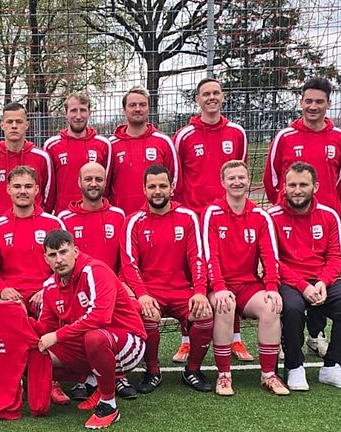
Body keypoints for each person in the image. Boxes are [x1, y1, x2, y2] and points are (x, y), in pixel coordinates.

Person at [263, 76, 341, 358]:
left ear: (328, 104)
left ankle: (316, 335)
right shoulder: (285, 137)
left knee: (322, 273)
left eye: (319, 101)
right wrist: (286, 204)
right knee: (290, 278)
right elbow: (272, 178)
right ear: (301, 103)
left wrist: (323, 206)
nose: (313, 106)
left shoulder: (339, 138)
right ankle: (288, 342)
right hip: (289, 218)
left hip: (324, 221)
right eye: (308, 101)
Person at [174, 78, 253, 363]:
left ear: (223, 97)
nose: (211, 98)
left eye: (216, 93)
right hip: (194, 218)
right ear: (197, 99)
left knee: (230, 272)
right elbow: (177, 178)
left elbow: (238, 173)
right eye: (205, 94)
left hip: (227, 217)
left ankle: (235, 339)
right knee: (191, 276)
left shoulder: (237, 133)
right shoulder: (184, 136)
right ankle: (186, 339)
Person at [268, 162, 341, 391]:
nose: (297, 190)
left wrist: (322, 282)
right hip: (289, 281)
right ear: (284, 187)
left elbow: (336, 258)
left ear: (316, 187)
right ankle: (295, 367)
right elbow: (272, 261)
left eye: (303, 184)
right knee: (291, 308)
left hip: (322, 280)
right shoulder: (271, 216)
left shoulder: (329, 215)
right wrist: (302, 286)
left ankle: (331, 367)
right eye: (292, 185)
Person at [38, 229, 147, 429]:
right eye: (53, 255)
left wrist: (58, 335)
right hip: (90, 344)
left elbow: (100, 316)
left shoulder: (95, 270)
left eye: (64, 252)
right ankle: (97, 383)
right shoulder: (49, 287)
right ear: (46, 259)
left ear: (76, 251)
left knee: (94, 338)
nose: (59, 259)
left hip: (129, 343)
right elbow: (44, 328)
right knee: (37, 355)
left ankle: (109, 405)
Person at [122, 164, 213, 395]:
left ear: (172, 188)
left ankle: (192, 370)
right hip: (150, 291)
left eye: (163, 185)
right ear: (144, 189)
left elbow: (198, 258)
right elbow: (129, 265)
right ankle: (152, 371)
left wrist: (200, 291)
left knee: (204, 314)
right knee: (147, 315)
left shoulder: (188, 217)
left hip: (181, 290)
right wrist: (142, 295)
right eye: (152, 186)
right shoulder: (134, 221)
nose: (157, 191)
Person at [202, 161, 288, 396]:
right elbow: (210, 255)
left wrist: (272, 287)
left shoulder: (261, 215)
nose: (237, 182)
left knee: (271, 306)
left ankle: (268, 374)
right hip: (219, 286)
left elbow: (270, 256)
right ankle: (224, 375)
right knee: (225, 304)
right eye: (231, 178)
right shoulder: (212, 213)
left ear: (248, 180)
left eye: (241, 177)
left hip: (248, 286)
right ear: (223, 183)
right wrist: (218, 287)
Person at [0, 165, 68, 405]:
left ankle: (52, 379)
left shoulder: (52, 223)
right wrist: (2, 289)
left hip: (46, 293)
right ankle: (14, 380)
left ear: (37, 190)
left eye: (27, 187)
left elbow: (64, 264)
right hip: (12, 295)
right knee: (5, 314)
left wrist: (47, 289)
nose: (22, 191)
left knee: (53, 312)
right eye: (17, 186)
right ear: (8, 189)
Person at [56, 161, 128, 401]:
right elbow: (58, 258)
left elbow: (125, 258)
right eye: (88, 179)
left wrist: (123, 284)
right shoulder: (64, 217)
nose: (94, 184)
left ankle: (118, 375)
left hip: (111, 289)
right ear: (79, 183)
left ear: (105, 182)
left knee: (116, 320)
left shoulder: (118, 215)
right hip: (77, 289)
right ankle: (85, 376)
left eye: (98, 179)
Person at [108, 86, 178, 215]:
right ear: (124, 109)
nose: (138, 109)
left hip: (156, 217)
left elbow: (174, 181)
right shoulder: (111, 145)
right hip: (122, 217)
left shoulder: (163, 141)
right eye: (132, 105)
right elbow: (105, 185)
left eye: (142, 105)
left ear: (148, 108)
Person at [0, 102, 52, 216]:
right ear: (2, 125)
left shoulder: (42, 157)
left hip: (35, 226)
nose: (14, 126)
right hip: (1, 228)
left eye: (19, 122)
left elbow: (49, 198)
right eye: (9, 122)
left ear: (26, 125)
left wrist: (39, 220)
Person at [43, 92, 111, 213]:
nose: (78, 116)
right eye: (73, 110)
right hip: (64, 215)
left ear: (89, 112)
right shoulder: (52, 146)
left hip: (95, 213)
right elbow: (49, 187)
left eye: (83, 110)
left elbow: (107, 184)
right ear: (66, 113)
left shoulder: (103, 145)